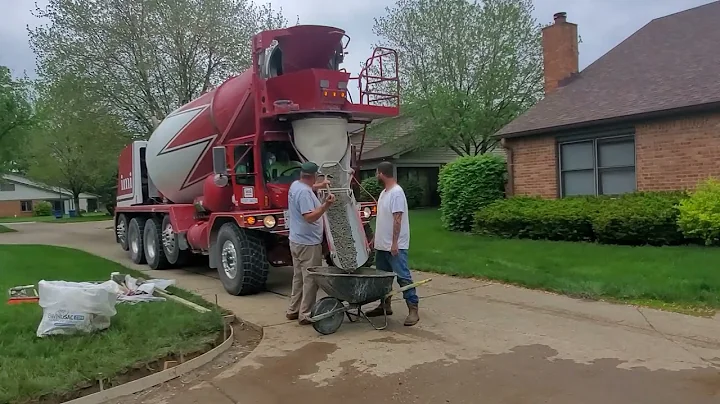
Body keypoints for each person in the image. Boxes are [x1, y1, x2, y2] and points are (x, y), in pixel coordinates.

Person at [365, 161, 419, 326]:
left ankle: (413, 310)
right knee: (383, 279)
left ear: (381, 173)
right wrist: (375, 239)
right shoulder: (384, 193)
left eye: (376, 173)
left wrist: (394, 243)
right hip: (382, 245)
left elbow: (397, 219)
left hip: (395, 246)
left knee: (403, 277)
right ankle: (384, 305)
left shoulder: (396, 193)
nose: (376, 176)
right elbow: (383, 219)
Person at [286, 161, 335, 325]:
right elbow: (309, 217)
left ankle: (293, 310)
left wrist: (321, 185)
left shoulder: (295, 186)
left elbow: (309, 188)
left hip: (296, 240)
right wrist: (326, 205)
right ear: (313, 176)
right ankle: (305, 314)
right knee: (311, 279)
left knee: (298, 276)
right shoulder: (305, 194)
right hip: (308, 243)